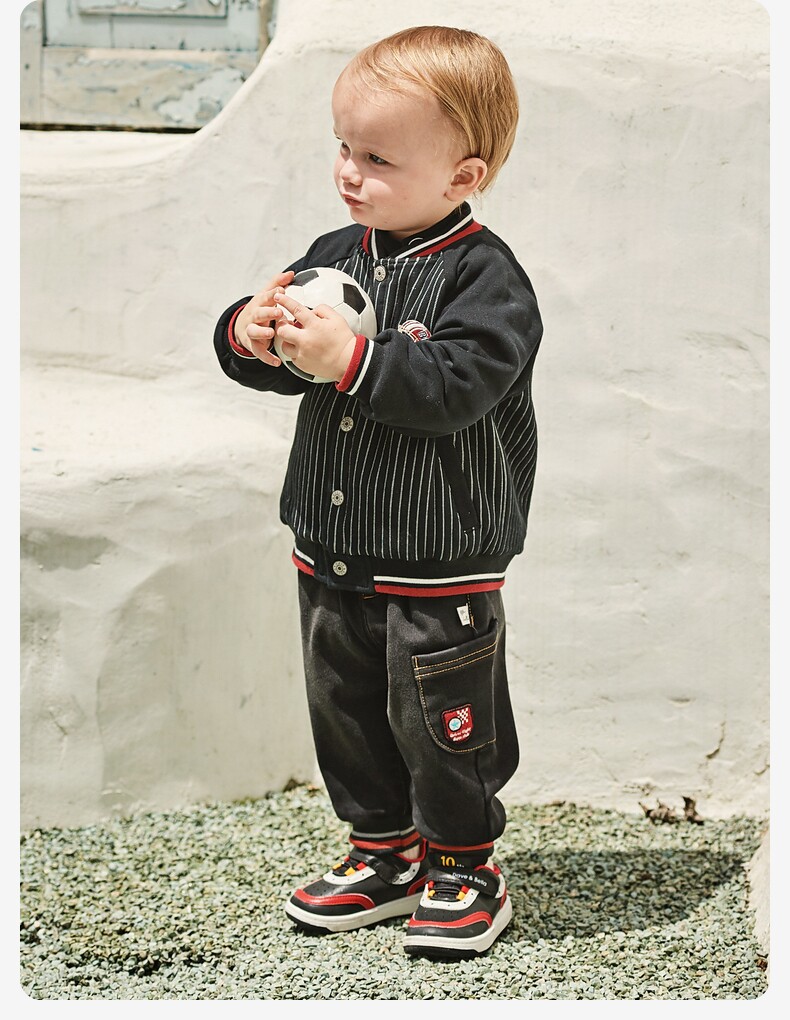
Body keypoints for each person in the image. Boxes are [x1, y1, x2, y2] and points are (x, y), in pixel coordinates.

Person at [213, 25, 543, 959]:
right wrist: (251, 334)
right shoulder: (335, 252)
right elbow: (286, 364)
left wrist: (355, 360)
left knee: (442, 717)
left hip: (439, 554)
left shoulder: (486, 278)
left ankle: (465, 865)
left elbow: (459, 387)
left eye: (379, 158)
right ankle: (383, 852)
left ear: (463, 175)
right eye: (344, 147)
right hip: (331, 545)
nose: (349, 173)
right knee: (346, 708)